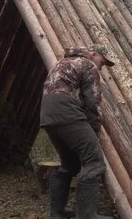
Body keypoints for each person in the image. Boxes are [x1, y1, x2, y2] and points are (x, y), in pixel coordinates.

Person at [40, 44, 115, 219]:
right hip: (67, 112)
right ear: (94, 54)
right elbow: (93, 101)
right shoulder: (88, 65)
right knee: (94, 162)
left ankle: (57, 213)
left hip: (47, 115)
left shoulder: (63, 63)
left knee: (69, 164)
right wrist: (94, 128)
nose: (101, 68)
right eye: (102, 63)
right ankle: (87, 215)